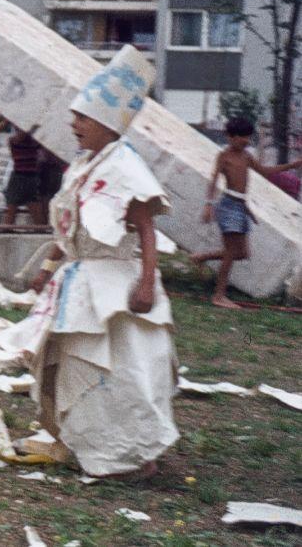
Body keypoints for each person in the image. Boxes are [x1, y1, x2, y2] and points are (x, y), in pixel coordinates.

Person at [25, 45, 178, 479]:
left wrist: (146, 283)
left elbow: (145, 229)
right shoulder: (82, 166)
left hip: (116, 286)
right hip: (81, 283)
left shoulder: (126, 168)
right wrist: (48, 268)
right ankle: (96, 448)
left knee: (127, 371)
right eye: (74, 116)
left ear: (108, 124)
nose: (74, 125)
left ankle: (136, 456)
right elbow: (71, 226)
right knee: (76, 366)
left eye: (83, 118)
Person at [190, 116, 302, 308]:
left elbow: (265, 171)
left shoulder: (247, 156)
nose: (246, 141)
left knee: (242, 253)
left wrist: (291, 166)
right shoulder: (224, 157)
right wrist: (208, 205)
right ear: (231, 137)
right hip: (228, 206)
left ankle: (202, 257)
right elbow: (214, 179)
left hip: (240, 207)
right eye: (243, 137)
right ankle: (219, 295)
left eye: (248, 138)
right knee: (231, 252)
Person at [5, 127, 45, 225]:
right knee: (11, 211)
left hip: (31, 178)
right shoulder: (13, 140)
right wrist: (31, 128)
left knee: (37, 214)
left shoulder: (35, 141)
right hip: (18, 177)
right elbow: (20, 137)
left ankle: (40, 234)